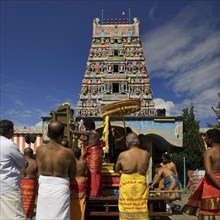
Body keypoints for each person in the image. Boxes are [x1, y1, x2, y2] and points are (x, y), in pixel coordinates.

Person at [36, 121, 76, 220]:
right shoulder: (68, 152)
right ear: (62, 135)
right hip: (61, 187)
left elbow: (38, 170)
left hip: (44, 186)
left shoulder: (39, 150)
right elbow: (73, 174)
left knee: (43, 215)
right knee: (61, 216)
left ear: (48, 134)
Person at [182, 128, 220, 219]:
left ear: (211, 140)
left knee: (208, 212)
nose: (205, 140)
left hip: (211, 186)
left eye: (206, 138)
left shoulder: (209, 152)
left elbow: (209, 172)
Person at [115, 132, 150, 220]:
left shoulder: (123, 155)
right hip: (140, 184)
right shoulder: (146, 154)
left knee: (127, 209)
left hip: (127, 185)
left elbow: (116, 170)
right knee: (140, 207)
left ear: (128, 143)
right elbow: (145, 169)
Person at [0, 119, 27, 219]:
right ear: (10, 130)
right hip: (9, 187)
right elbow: (23, 163)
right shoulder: (9, 144)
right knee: (16, 216)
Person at [73, 119, 102, 198]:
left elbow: (81, 133)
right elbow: (85, 139)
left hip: (93, 154)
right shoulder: (96, 134)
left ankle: (94, 193)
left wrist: (71, 130)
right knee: (94, 173)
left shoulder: (91, 132)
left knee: (93, 173)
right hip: (96, 153)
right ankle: (95, 192)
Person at [70, 147, 87, 220]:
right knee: (81, 202)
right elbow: (86, 173)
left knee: (72, 202)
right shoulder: (84, 162)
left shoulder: (70, 162)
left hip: (72, 182)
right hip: (81, 182)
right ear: (80, 154)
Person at [21, 147, 38, 220]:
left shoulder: (20, 161)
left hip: (22, 182)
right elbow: (38, 174)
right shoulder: (35, 162)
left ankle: (22, 215)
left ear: (24, 154)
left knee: (22, 199)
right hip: (31, 182)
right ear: (31, 154)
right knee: (30, 201)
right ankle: (29, 216)